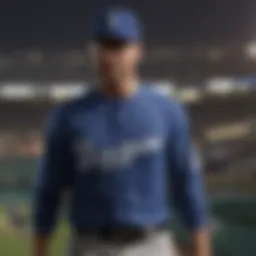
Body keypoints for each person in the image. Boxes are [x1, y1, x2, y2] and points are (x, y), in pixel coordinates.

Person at [33, 7, 212, 256]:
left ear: (138, 51)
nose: (109, 55)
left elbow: (187, 184)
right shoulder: (69, 116)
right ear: (91, 52)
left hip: (151, 243)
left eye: (118, 46)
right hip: (90, 244)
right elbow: (49, 190)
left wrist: (202, 247)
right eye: (102, 45)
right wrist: (39, 249)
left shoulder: (167, 111)